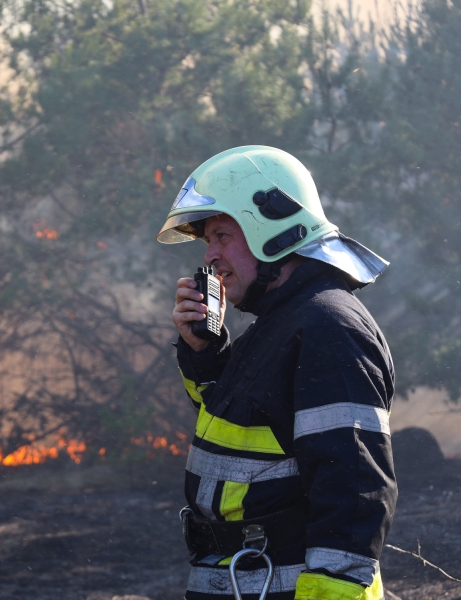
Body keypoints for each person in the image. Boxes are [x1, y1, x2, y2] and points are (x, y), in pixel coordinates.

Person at [156, 146, 396, 600]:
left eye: (222, 236)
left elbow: (353, 490)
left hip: (280, 582)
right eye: (209, 241)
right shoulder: (282, 324)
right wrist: (204, 352)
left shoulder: (329, 329)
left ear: (275, 228)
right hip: (243, 578)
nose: (211, 256)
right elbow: (234, 430)